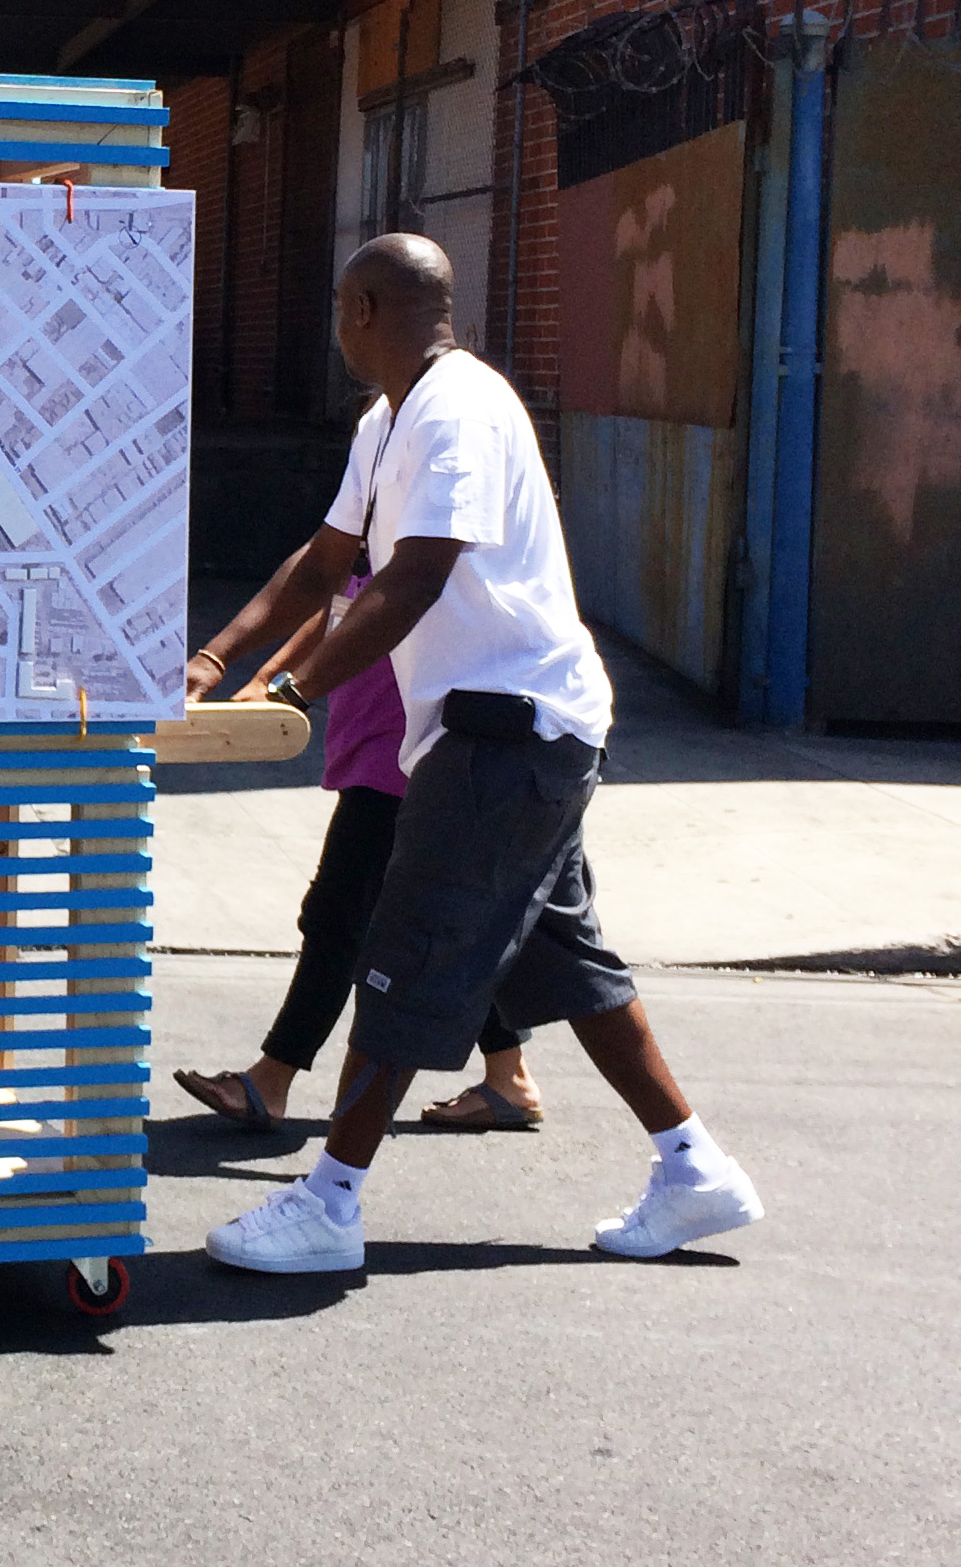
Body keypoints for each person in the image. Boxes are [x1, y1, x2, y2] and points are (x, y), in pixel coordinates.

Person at [183, 232, 762, 1274]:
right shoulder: (387, 419)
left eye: (335, 309)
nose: (334, 327)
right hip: (511, 730)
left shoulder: (461, 409)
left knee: (406, 953)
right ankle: (694, 1169)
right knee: (567, 961)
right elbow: (326, 563)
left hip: (510, 730)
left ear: (363, 308)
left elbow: (413, 580)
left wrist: (296, 689)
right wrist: (216, 656)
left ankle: (328, 1204)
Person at [171, 587, 545, 1136]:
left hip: (408, 751)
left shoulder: (427, 535)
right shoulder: (382, 530)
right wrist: (266, 682)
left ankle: (271, 1080)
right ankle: (509, 1075)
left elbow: (379, 608)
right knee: (454, 921)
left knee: (337, 918)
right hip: (387, 745)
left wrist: (284, 687)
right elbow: (340, 607)